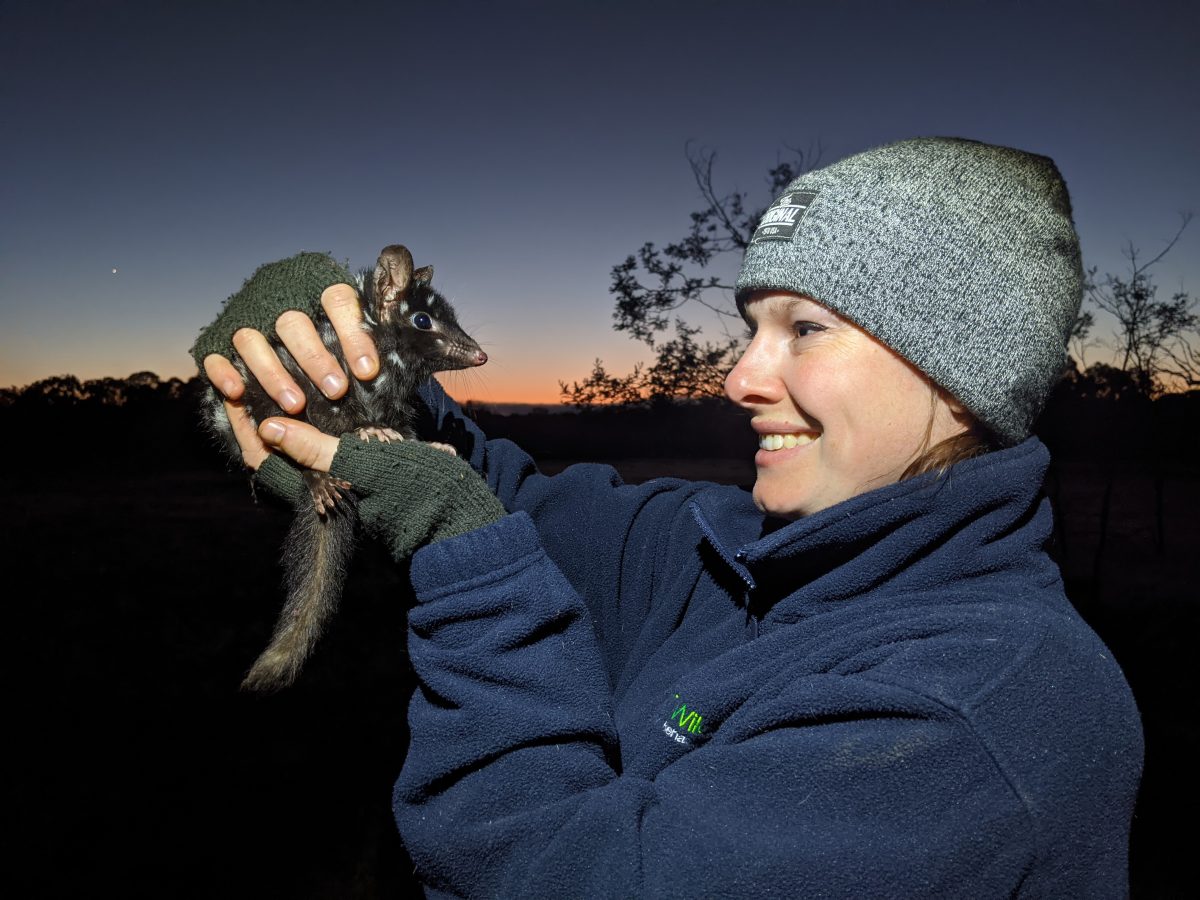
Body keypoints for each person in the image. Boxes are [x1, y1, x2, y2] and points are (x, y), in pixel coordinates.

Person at [195, 137, 1143, 898]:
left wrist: (467, 560)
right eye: (750, 329)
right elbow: (507, 499)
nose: (740, 377)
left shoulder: (979, 709)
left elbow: (553, 870)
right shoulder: (717, 545)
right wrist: (334, 363)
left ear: (963, 379)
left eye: (804, 329)